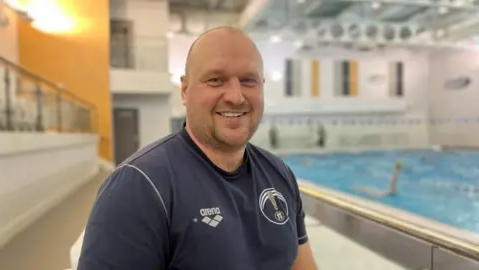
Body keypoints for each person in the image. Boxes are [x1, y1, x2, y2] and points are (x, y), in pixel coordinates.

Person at [78, 26, 317, 270]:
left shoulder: (279, 174)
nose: (236, 96)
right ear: (184, 90)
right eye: (216, 80)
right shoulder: (139, 186)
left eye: (248, 80)